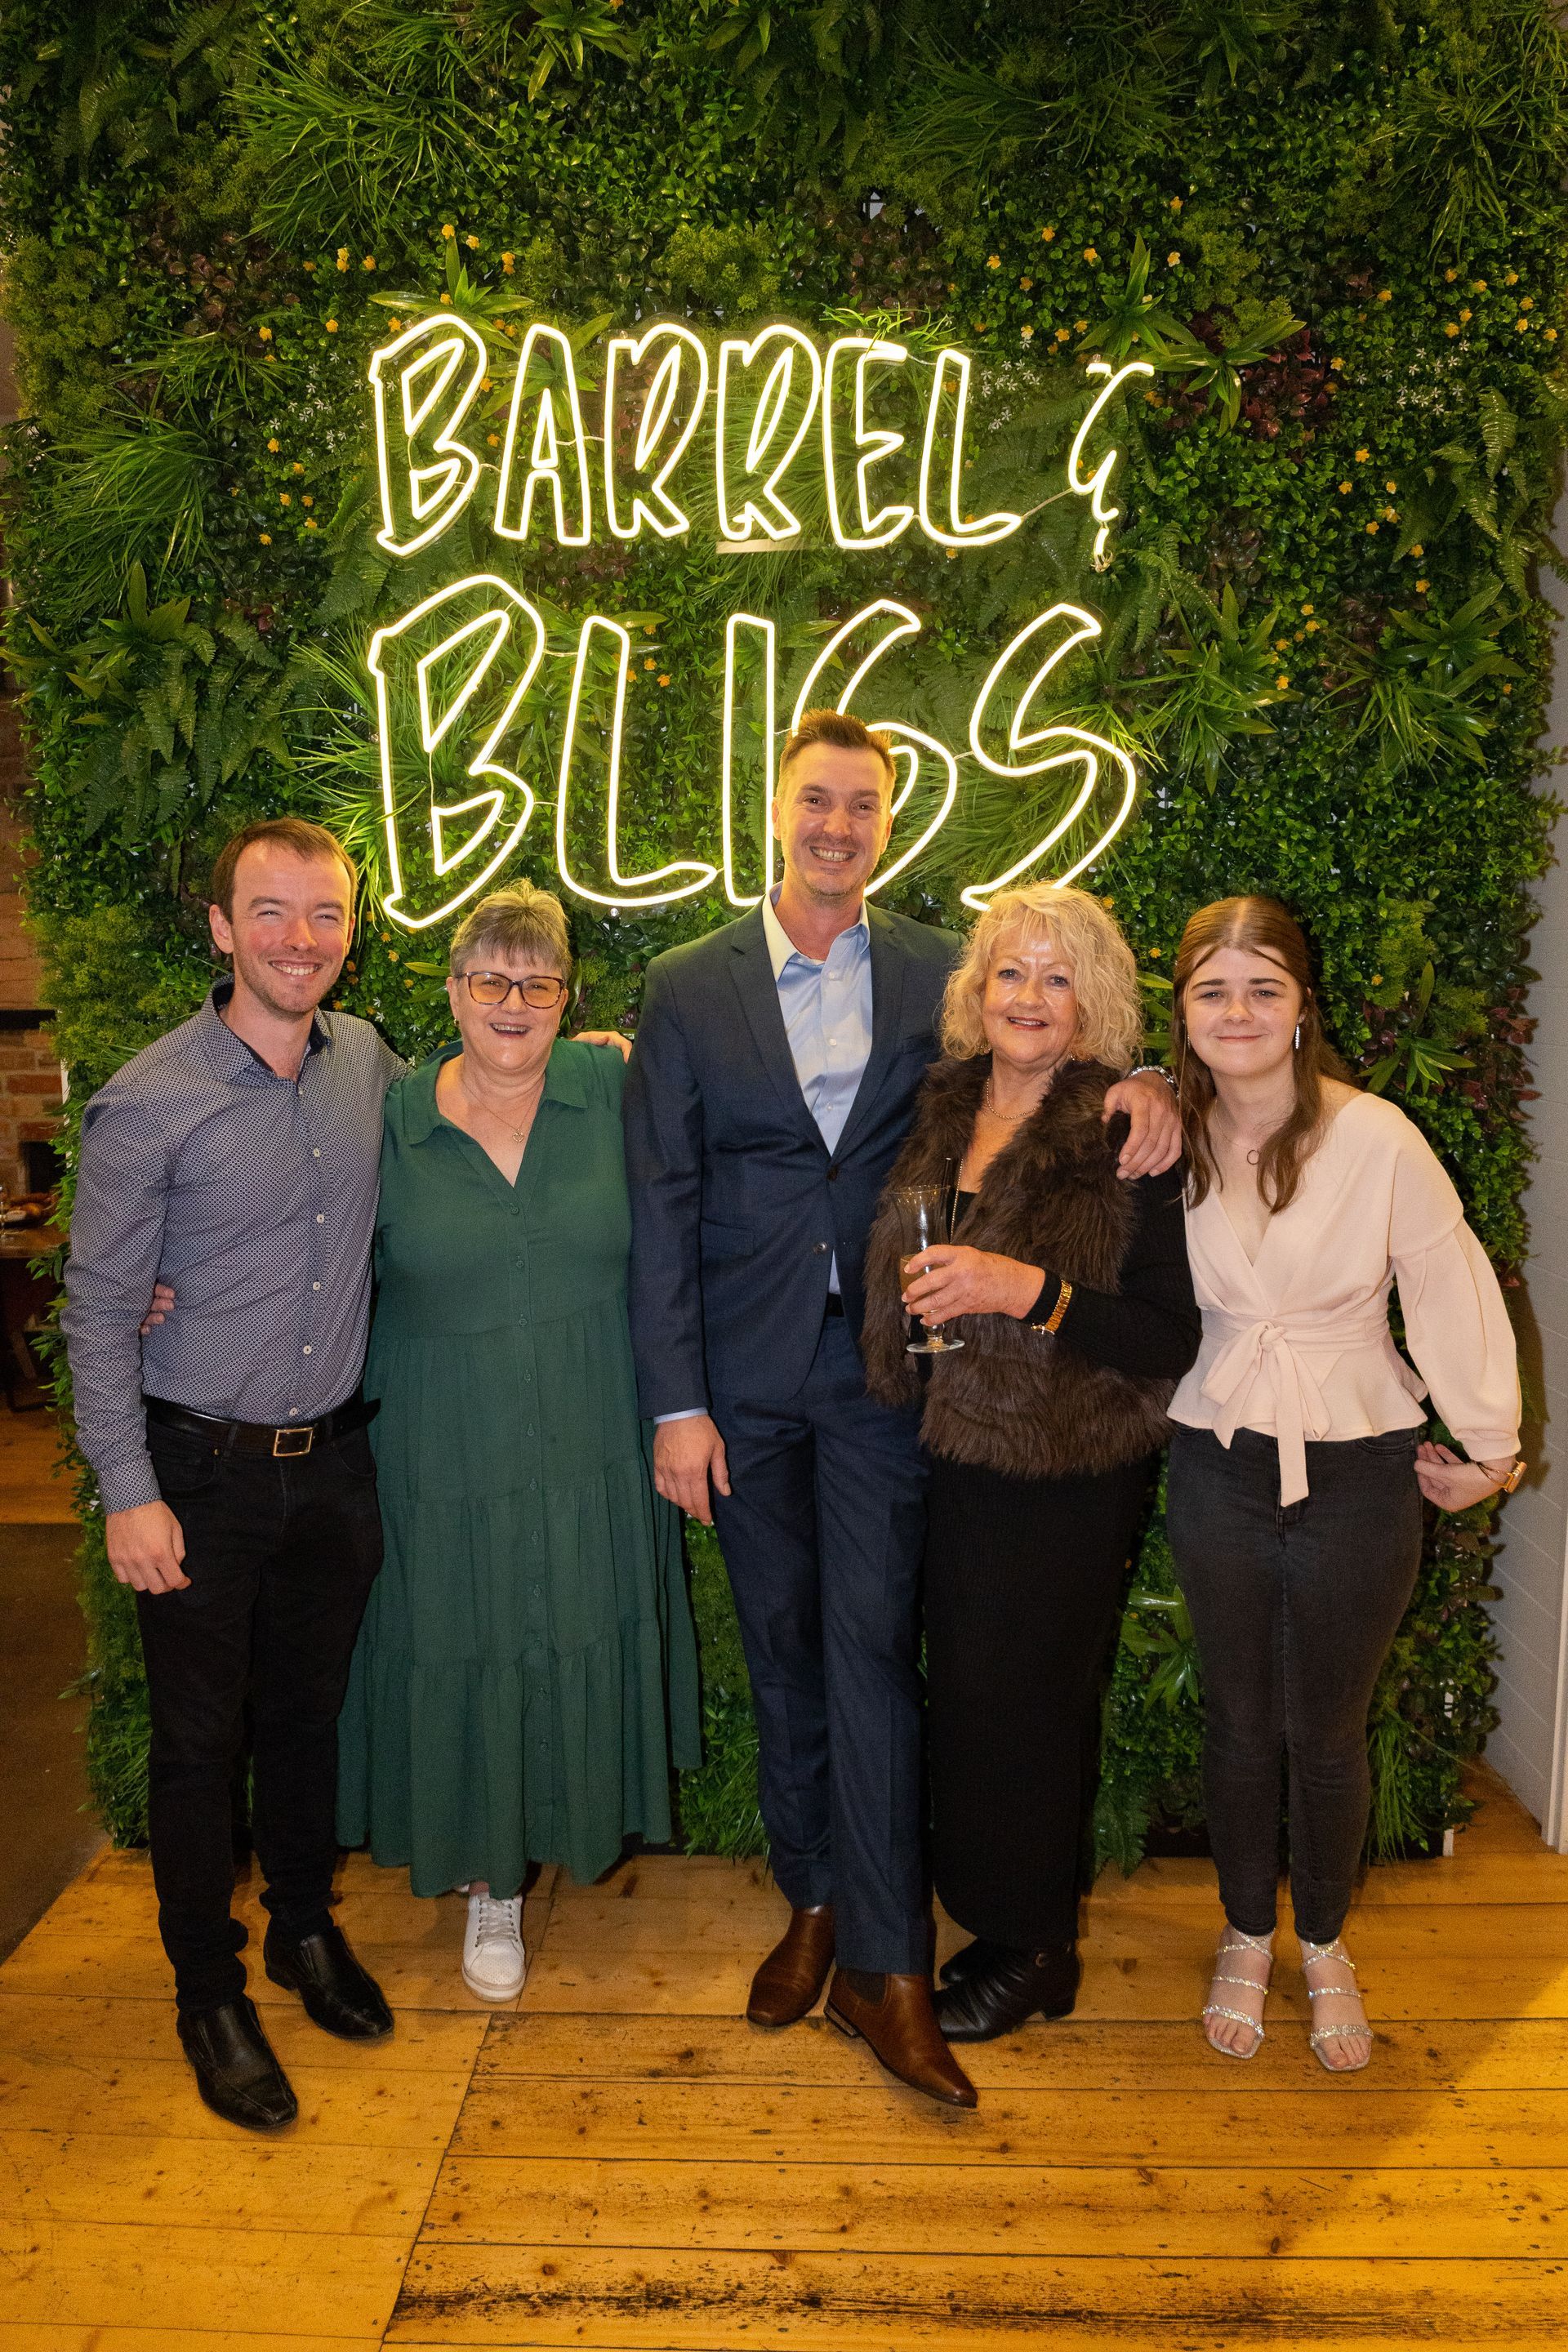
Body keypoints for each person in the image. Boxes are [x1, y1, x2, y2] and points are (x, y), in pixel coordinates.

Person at [623, 708, 1182, 2108]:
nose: (837, 828)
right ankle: (812, 1900)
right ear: (775, 809)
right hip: (741, 1388)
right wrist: (674, 1402)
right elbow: (661, 1202)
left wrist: (1156, 1083)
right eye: (817, 801)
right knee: (784, 1646)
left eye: (862, 808)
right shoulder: (687, 986)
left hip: (884, 1380)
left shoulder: (946, 968)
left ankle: (889, 1965)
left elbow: (1058, 1055)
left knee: (871, 1648)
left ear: (887, 824)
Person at [62, 818, 401, 2132]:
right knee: (201, 1747)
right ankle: (208, 1988)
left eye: (324, 914)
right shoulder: (148, 1100)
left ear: (349, 932)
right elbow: (97, 1314)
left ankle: (303, 1930)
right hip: (196, 1472)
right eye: (271, 912)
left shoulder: (368, 1061)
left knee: (309, 1722)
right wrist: (127, 1489)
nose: (299, 939)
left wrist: (593, 1059)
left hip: (336, 1467)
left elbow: (480, 1109)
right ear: (220, 928)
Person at [1164, 896, 1522, 2073]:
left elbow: (1446, 1278)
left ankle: (1321, 1943)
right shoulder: (1165, 1133)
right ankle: (1244, 1929)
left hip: (1362, 1459)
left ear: (1303, 1005)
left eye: (1264, 986)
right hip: (1217, 1452)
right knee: (1236, 1718)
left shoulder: (1377, 1137)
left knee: (1324, 1728)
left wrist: (1488, 1446)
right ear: (1184, 1012)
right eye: (1213, 989)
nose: (1240, 1011)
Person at [336, 884, 699, 1999]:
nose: (511, 1001)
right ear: (449, 991)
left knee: (573, 1629)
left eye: (535, 982)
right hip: (441, 1451)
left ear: (565, 997)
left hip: (591, 1434)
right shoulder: (387, 1118)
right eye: (488, 978)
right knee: (470, 1642)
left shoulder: (613, 1083)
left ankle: (565, 1833)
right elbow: (288, 1235)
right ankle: (491, 1886)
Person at [860, 884, 1200, 2042]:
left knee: (1033, 1707)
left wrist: (1029, 1292)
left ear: (1094, 1002)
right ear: (976, 991)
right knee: (965, 1696)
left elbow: (1167, 1336)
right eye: (1011, 972)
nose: (1030, 997)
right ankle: (992, 1920)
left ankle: (1037, 1951)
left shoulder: (1123, 1126)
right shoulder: (945, 1099)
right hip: (945, 1448)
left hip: (1063, 1469)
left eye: (1059, 979)